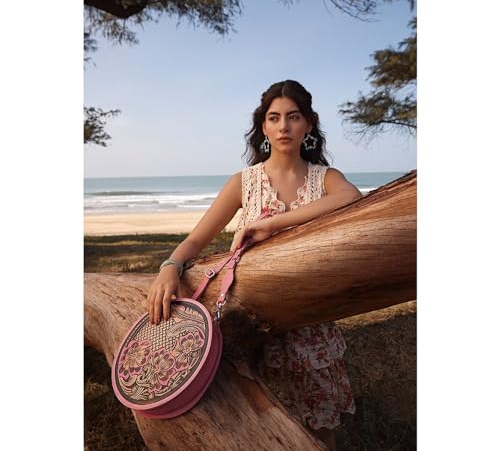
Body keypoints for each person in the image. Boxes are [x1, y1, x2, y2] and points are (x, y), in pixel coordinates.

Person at [147, 80, 362, 450]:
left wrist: (271, 223)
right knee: (259, 428)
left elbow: (352, 197)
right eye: (274, 118)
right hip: (252, 323)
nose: (283, 127)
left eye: (293, 117)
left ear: (309, 124)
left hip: (311, 323)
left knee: (320, 430)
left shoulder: (326, 179)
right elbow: (196, 240)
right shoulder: (243, 183)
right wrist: (170, 266)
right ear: (263, 126)